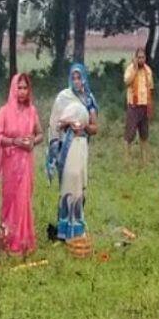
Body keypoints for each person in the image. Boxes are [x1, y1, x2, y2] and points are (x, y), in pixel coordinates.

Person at [46, 63, 99, 241]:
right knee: (67, 183)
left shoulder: (89, 99)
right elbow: (55, 124)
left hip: (80, 145)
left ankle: (77, 228)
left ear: (84, 78)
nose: (76, 81)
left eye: (79, 77)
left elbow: (94, 128)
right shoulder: (64, 97)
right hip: (66, 147)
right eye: (73, 77)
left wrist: (83, 127)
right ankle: (63, 229)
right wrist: (67, 124)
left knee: (78, 182)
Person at [0, 73, 43, 255]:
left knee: (23, 201)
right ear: (13, 88)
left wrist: (32, 142)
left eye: (25, 88)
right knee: (10, 200)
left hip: (26, 163)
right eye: (19, 87)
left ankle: (22, 240)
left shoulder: (32, 111)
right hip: (10, 164)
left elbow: (40, 134)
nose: (22, 92)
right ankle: (9, 237)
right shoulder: (4, 112)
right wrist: (15, 142)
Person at [123, 47, 154, 163]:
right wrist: (135, 70)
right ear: (135, 58)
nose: (141, 60)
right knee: (129, 135)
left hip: (144, 106)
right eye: (139, 57)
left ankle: (144, 161)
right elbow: (127, 82)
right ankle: (127, 161)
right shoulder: (130, 69)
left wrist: (150, 107)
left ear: (145, 58)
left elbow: (150, 89)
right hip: (133, 106)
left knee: (144, 135)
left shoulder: (148, 71)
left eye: (143, 57)